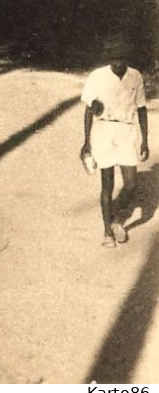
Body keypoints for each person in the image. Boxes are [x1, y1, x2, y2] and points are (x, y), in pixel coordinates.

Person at [80, 38, 149, 248]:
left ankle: (118, 218)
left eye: (120, 59)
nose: (116, 63)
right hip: (104, 131)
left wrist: (145, 139)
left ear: (127, 59)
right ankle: (107, 231)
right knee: (107, 184)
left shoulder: (135, 76)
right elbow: (89, 110)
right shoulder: (98, 77)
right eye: (112, 59)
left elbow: (141, 108)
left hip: (126, 131)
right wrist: (86, 142)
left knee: (131, 184)